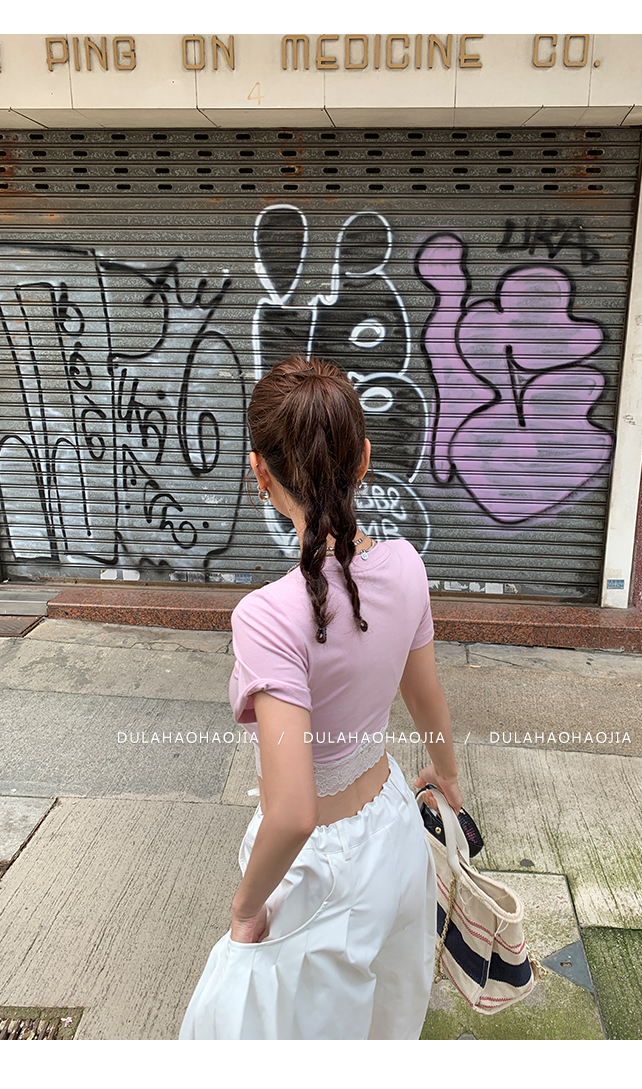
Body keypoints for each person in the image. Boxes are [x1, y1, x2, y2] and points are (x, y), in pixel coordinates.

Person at [179, 354, 462, 1041]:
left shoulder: (267, 617)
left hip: (320, 876)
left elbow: (293, 813)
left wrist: (245, 907)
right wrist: (447, 774)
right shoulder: (407, 564)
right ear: (364, 458)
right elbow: (425, 693)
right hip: (396, 831)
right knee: (388, 1025)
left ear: (260, 472)